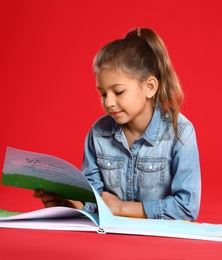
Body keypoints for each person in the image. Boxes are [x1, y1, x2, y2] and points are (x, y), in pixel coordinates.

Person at [34, 28, 201, 221]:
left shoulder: (180, 132)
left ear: (149, 87)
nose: (109, 103)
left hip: (158, 244)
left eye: (118, 92)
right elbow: (94, 198)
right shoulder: (98, 133)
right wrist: (70, 203)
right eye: (103, 94)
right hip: (110, 240)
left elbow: (186, 208)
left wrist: (121, 207)